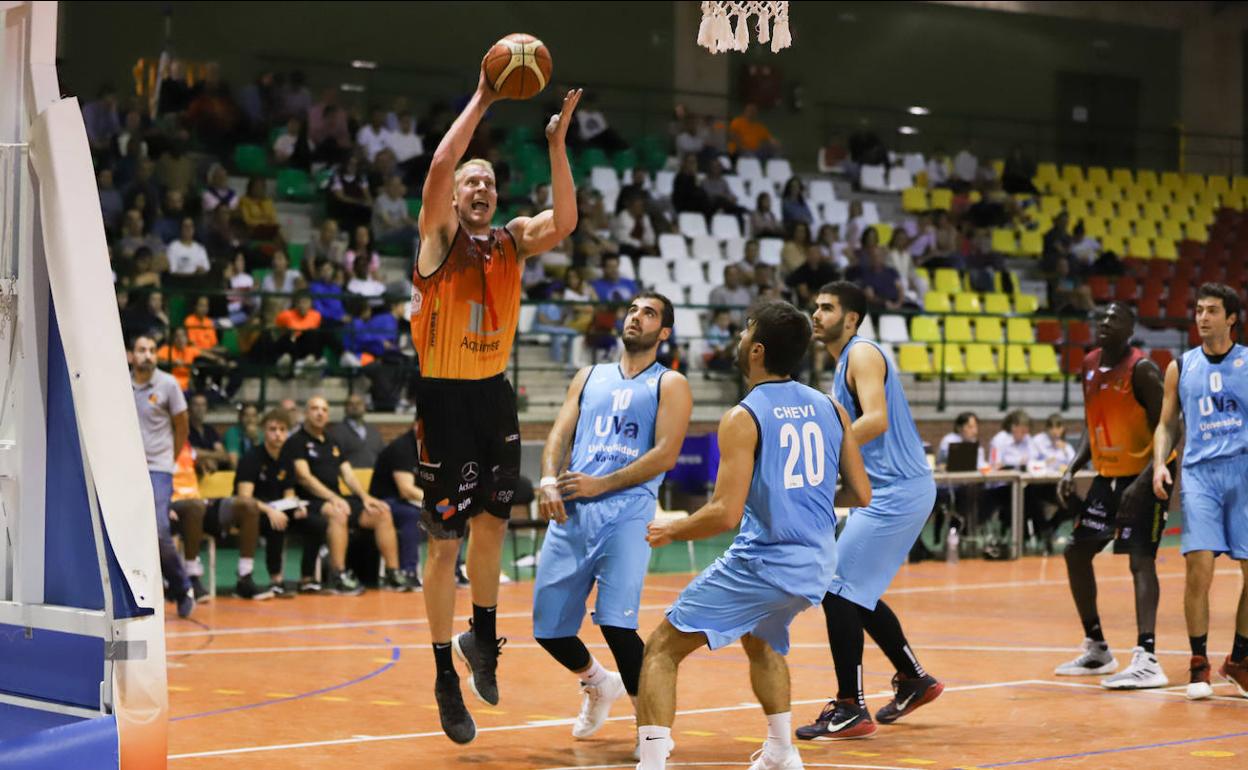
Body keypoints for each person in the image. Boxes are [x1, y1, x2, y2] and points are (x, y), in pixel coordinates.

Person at [409, 58, 582, 743]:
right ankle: (442, 675)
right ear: (454, 199)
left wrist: (556, 145)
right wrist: (484, 96)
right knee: (444, 544)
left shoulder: (512, 241)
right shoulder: (437, 240)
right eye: (470, 182)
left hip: (494, 396)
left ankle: (481, 639)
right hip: (443, 399)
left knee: (492, 528)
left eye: (488, 181)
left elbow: (565, 220)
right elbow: (437, 168)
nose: (479, 188)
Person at [636, 300, 870, 770]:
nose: (740, 338)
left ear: (758, 350)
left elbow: (724, 513)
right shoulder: (831, 407)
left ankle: (652, 763)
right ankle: (781, 751)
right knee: (761, 639)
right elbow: (861, 493)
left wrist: (672, 529)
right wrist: (802, 501)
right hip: (817, 564)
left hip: (766, 563)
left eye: (746, 331)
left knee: (661, 648)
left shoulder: (744, 417)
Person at [532, 293, 692, 755]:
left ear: (664, 332)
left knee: (616, 623)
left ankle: (653, 733)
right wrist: (548, 479)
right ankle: (598, 683)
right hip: (574, 508)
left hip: (627, 509)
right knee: (549, 630)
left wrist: (602, 483)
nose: (636, 317)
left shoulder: (670, 383)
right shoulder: (589, 376)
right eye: (632, 310)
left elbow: (666, 453)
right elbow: (560, 432)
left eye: (649, 313)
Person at [798, 282, 942, 740]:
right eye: (815, 307)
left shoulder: (861, 354)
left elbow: (876, 419)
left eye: (827, 308)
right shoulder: (844, 361)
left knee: (836, 590)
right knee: (853, 591)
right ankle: (914, 679)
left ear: (851, 319)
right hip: (884, 492)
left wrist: (823, 453)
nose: (816, 314)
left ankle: (849, 707)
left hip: (898, 491)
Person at [1052, 303, 1172, 688]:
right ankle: (1098, 649)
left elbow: (1170, 427)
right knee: (1076, 552)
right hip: (1107, 478)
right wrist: (1072, 467)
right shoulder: (1088, 365)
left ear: (1130, 329)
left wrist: (1147, 478)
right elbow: (1093, 423)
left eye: (1114, 318)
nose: (1105, 322)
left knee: (1140, 560)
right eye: (1102, 317)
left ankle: (1148, 657)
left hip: (1145, 476)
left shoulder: (1143, 369)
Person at [1152, 283, 1248, 701]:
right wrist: (1160, 462)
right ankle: (1198, 663)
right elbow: (1166, 424)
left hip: (1243, 473)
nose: (1203, 318)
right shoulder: (1181, 366)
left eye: (1212, 311)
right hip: (1200, 476)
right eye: (1198, 310)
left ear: (1231, 318)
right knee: (1199, 569)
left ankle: (1239, 660)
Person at [281, 396, 408, 595]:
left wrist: (365, 497)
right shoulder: (296, 442)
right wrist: (333, 498)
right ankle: (338, 574)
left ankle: (393, 573)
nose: (320, 413)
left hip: (337, 498)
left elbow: (348, 474)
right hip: (308, 501)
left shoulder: (332, 441)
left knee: (381, 512)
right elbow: (304, 478)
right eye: (315, 408)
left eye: (324, 409)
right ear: (306, 413)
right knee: (338, 513)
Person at [130, 335, 194, 618]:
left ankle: (182, 587)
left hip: (158, 468)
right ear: (131, 355)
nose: (148, 355)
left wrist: (169, 458)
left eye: (153, 350)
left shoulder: (169, 384)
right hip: (127, 469)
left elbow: (182, 427)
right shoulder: (120, 383)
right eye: (142, 350)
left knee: (158, 529)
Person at [236, 408, 325, 597]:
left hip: (279, 509)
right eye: (273, 429)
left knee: (317, 523)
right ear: (264, 431)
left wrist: (297, 506)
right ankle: (276, 580)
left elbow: (289, 493)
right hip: (253, 513)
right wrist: (270, 511)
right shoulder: (251, 458)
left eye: (282, 430)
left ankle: (307, 578)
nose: (278, 434)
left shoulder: (287, 458)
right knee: (276, 523)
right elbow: (245, 498)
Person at [368, 422, 428, 587]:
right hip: (386, 500)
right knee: (412, 515)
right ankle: (407, 572)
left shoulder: (432, 448)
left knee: (453, 512)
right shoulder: (402, 447)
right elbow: (406, 490)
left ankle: (454, 571)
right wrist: (435, 502)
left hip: (412, 500)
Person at [326, 393, 385, 468]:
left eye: (358, 403)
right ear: (345, 408)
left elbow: (382, 457)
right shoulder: (335, 432)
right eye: (351, 404)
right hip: (348, 475)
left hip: (373, 474)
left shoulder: (374, 432)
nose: (355, 406)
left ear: (364, 407)